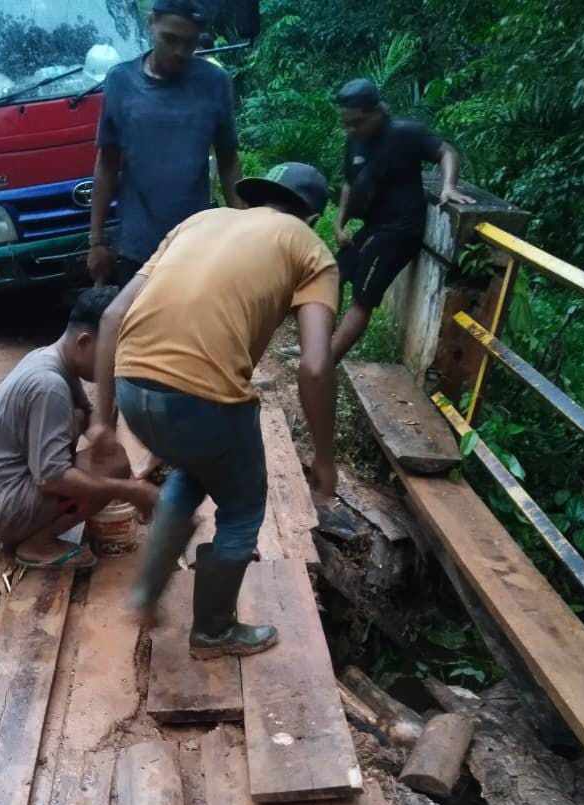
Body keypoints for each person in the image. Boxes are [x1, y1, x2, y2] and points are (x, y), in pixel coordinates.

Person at [90, 163, 339, 659]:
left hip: (133, 385)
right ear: (310, 217)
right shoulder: (311, 249)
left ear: (252, 200)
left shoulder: (200, 221)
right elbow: (314, 366)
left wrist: (102, 420)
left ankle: (145, 592)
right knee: (243, 509)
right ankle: (214, 631)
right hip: (203, 401)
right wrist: (325, 459)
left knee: (196, 467)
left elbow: (114, 313)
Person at [0, 288, 158, 569]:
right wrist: (129, 490)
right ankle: (38, 544)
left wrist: (102, 425)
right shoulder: (49, 385)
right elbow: (51, 477)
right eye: (113, 357)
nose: (115, 366)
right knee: (115, 471)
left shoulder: (49, 357)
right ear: (84, 342)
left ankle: (34, 527)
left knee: (111, 458)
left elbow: (86, 415)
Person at [87, 0, 242, 289]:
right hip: (137, 248)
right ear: (151, 23)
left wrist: (243, 229)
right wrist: (96, 240)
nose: (179, 52)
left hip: (196, 244)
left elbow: (228, 160)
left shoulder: (215, 82)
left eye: (190, 43)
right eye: (170, 39)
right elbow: (107, 163)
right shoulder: (121, 81)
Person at [332, 78, 475, 359]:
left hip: (400, 231)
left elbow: (447, 152)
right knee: (332, 275)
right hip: (373, 226)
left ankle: (326, 361)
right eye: (346, 123)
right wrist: (339, 224)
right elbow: (350, 184)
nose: (351, 129)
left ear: (376, 112)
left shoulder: (405, 133)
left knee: (363, 298)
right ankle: (318, 343)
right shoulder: (355, 141)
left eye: (357, 122)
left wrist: (448, 186)